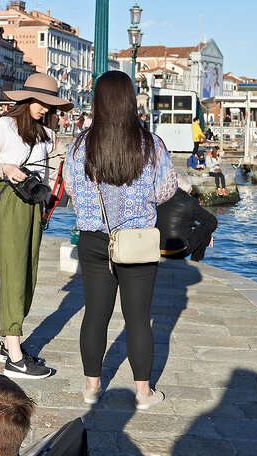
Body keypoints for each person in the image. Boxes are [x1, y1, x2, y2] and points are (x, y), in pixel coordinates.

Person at [64, 70, 177, 410]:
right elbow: (165, 190)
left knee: (95, 314)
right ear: (130, 100)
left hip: (94, 239)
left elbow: (71, 190)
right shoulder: (151, 144)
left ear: (97, 101)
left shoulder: (79, 144)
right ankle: (143, 393)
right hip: (137, 242)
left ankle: (91, 387)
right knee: (138, 317)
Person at [0, 73, 70, 379]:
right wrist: (4, 168)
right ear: (25, 99)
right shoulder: (4, 126)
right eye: (40, 102)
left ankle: (10, 344)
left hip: (35, 204)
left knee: (29, 274)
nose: (44, 108)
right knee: (14, 273)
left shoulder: (45, 133)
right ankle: (15, 358)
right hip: (9, 202)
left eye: (49, 105)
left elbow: (61, 159)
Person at [156, 173, 218, 262]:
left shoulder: (160, 197)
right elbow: (212, 222)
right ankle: (196, 260)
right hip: (178, 251)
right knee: (207, 226)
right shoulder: (190, 202)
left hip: (156, 249)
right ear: (190, 190)